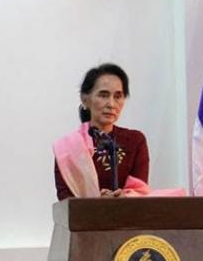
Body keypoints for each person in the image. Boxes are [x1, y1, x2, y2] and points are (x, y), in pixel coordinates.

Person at [52, 63, 149, 200]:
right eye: (103, 95)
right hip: (84, 219)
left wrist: (124, 197)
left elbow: (140, 191)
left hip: (128, 217)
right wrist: (97, 203)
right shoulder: (67, 148)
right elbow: (65, 200)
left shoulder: (135, 140)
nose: (111, 104)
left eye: (118, 96)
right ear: (85, 99)